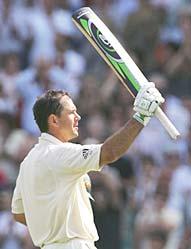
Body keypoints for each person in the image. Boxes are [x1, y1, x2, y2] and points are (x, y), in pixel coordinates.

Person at [11, 82, 164, 249]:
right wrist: (141, 116)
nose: (78, 117)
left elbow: (19, 213)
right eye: (71, 113)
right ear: (54, 120)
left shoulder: (28, 162)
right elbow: (109, 153)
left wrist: (51, 226)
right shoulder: (60, 153)